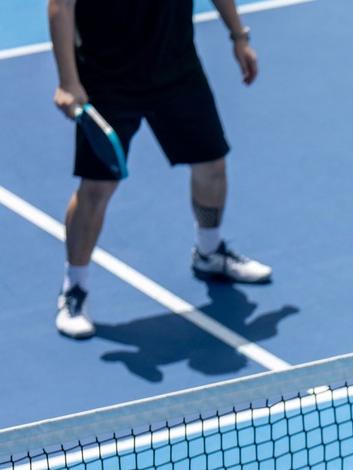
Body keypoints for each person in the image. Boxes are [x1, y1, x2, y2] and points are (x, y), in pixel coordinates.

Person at [47, 0, 273, 339]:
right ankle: (74, 289)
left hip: (175, 66)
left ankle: (209, 251)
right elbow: (61, 4)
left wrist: (238, 36)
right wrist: (67, 80)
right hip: (107, 76)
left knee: (211, 166)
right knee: (96, 188)